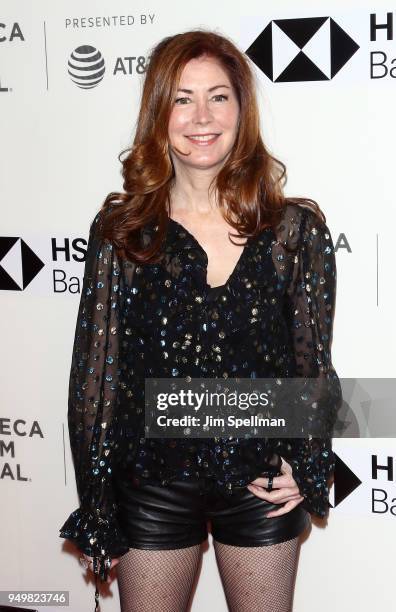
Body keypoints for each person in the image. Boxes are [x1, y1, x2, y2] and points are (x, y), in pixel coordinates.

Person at [59, 29, 342, 612]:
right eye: (182, 99)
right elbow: (96, 383)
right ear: (159, 113)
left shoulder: (294, 231)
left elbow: (311, 365)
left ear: (242, 109)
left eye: (218, 96)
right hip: (150, 485)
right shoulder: (123, 234)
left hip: (260, 483)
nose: (200, 116)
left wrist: (309, 460)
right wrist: (97, 503)